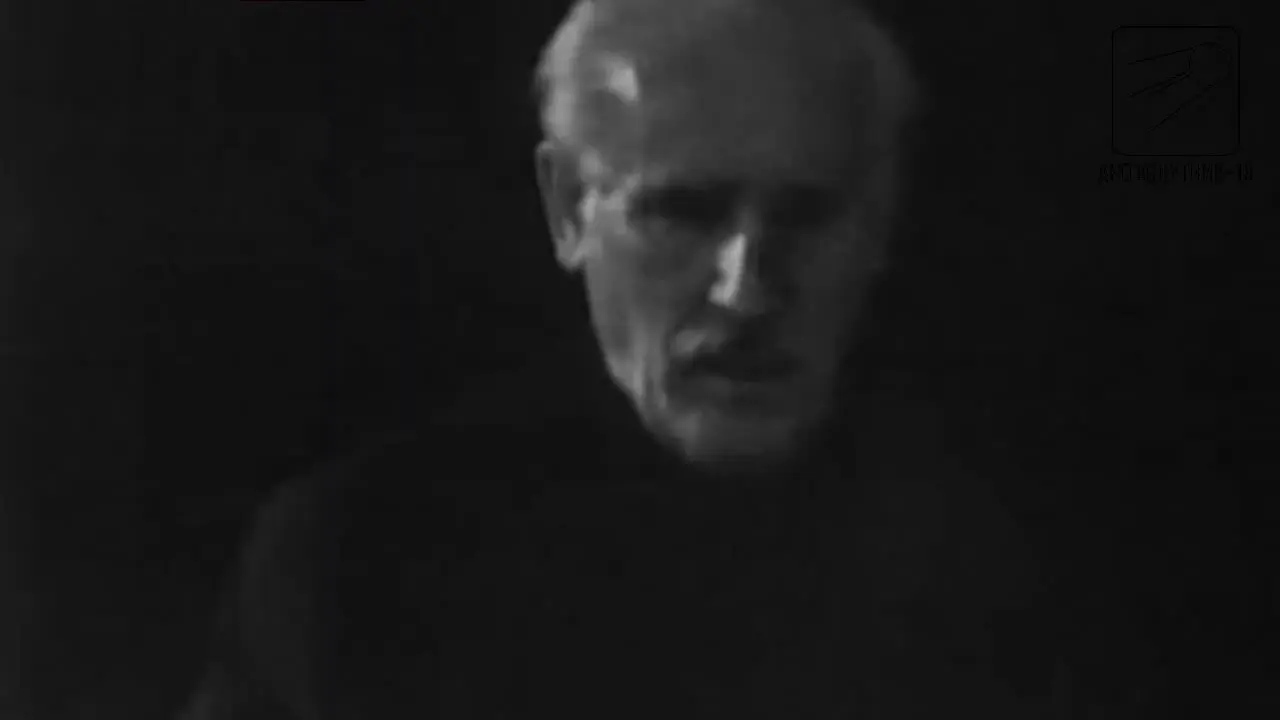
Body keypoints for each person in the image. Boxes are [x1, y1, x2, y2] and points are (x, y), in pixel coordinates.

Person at [179, 1, 1147, 717]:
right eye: (682, 212)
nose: (745, 289)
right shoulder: (357, 567)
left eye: (806, 215)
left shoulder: (1023, 573)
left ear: (882, 216)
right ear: (568, 209)